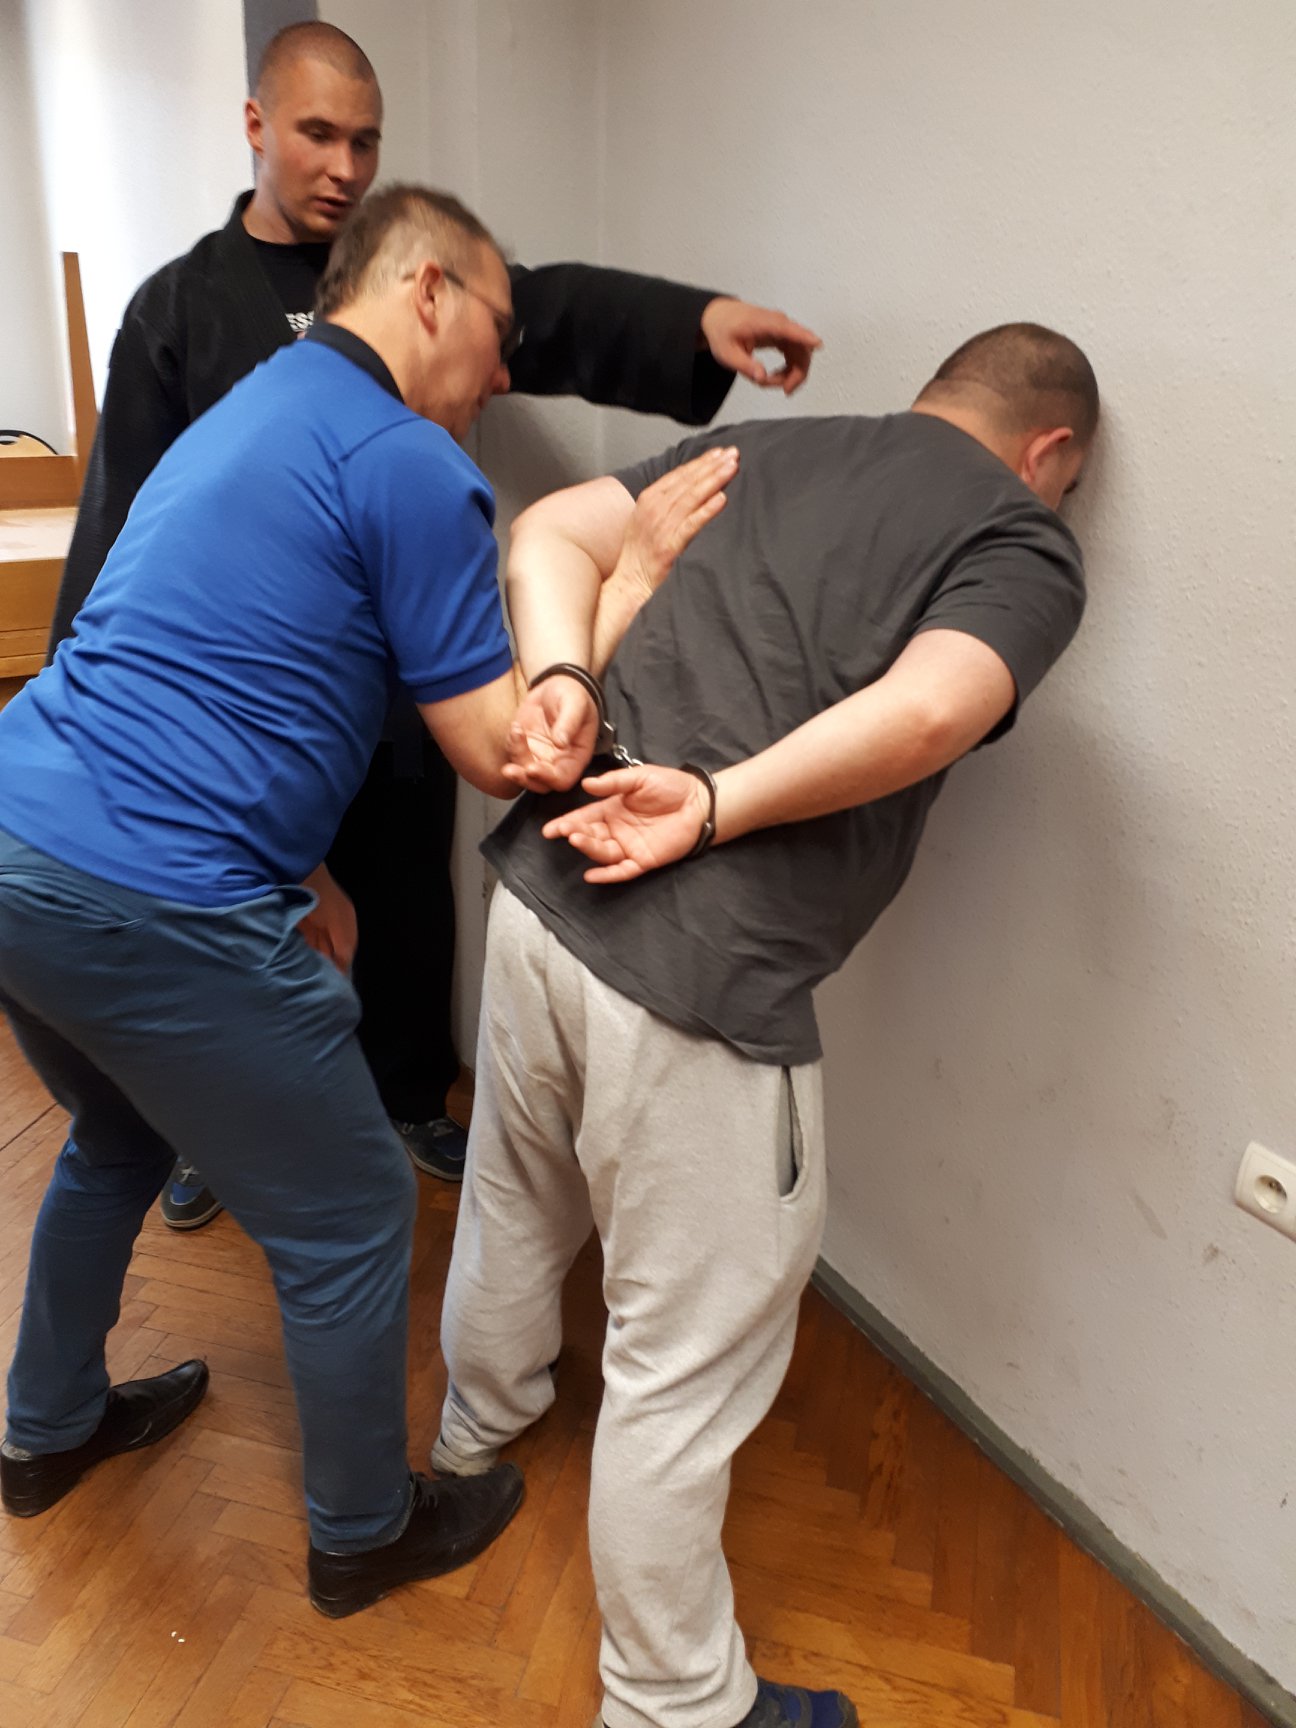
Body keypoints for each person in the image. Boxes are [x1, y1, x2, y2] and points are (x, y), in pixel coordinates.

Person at [0, 184, 732, 1616]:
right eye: (500, 331)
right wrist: (631, 572)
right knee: (348, 1209)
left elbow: (208, 664)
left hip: (19, 833)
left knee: (120, 1131)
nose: (503, 372)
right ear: (429, 292)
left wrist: (309, 868)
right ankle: (361, 1530)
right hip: (153, 891)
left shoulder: (252, 411)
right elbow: (511, 752)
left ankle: (46, 1427)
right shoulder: (409, 463)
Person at [45, 19, 823, 1226]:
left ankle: (409, 1090)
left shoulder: (417, 270)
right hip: (249, 715)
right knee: (243, 922)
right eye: (317, 134)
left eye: (366, 141)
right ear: (255, 127)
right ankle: (205, 1125)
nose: (344, 166)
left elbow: (538, 305)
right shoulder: (180, 306)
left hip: (400, 676)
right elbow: (126, 521)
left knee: (404, 898)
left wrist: (699, 319)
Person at [432, 322, 1098, 1728]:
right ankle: (676, 1701)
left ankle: (475, 1433)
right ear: (1050, 452)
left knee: (513, 1189)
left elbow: (546, 532)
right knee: (685, 1358)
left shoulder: (764, 447)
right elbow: (934, 710)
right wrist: (715, 805)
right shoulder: (1020, 538)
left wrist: (563, 681)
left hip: (539, 895)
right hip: (699, 982)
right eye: (1069, 484)